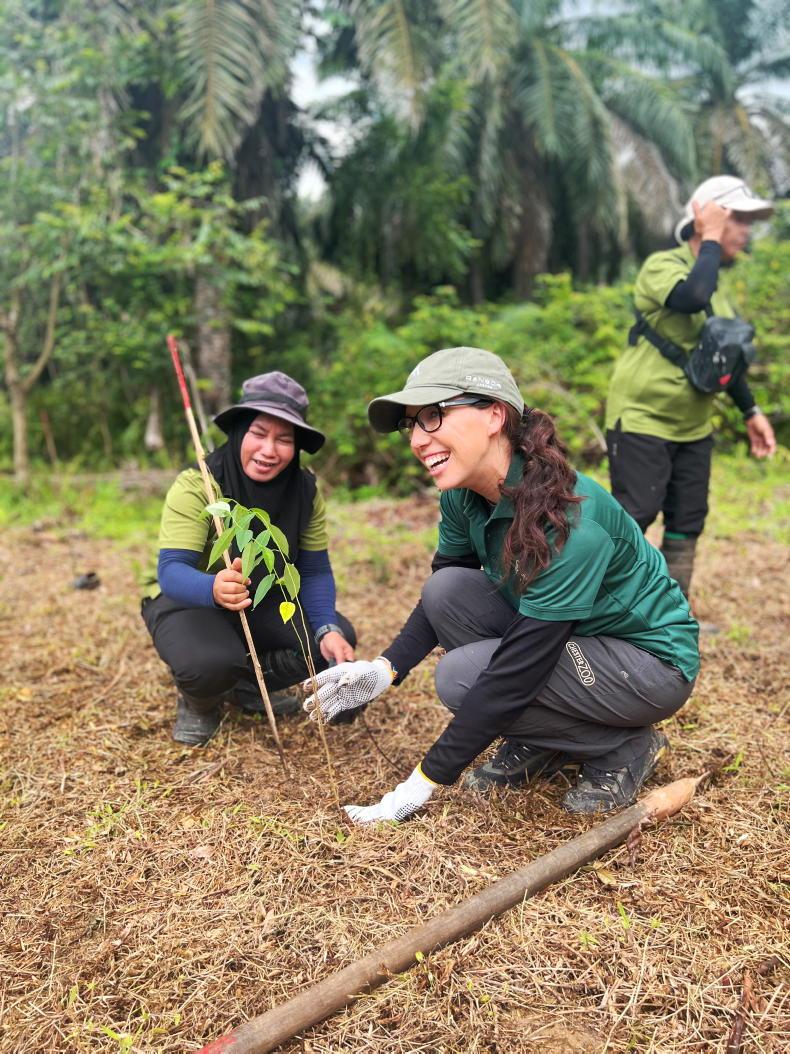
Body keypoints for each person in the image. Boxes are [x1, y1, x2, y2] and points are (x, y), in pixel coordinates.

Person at [303, 346, 699, 824]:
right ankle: (544, 739)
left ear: (494, 415)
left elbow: (517, 671)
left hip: (647, 663)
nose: (417, 439)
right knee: (447, 590)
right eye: (412, 425)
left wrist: (423, 781)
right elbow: (444, 595)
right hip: (571, 638)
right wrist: (385, 669)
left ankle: (621, 746)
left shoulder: (572, 521)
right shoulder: (464, 495)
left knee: (460, 677)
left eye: (433, 415)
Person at [142, 371, 356, 746]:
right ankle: (201, 700)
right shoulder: (200, 483)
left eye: (284, 439)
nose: (269, 450)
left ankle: (247, 686)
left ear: (296, 446)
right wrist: (213, 587)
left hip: (260, 599)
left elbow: (314, 570)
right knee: (209, 664)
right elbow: (171, 570)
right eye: (259, 433)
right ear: (239, 431)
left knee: (331, 642)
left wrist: (327, 627)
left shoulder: (305, 490)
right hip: (192, 601)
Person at [605, 176, 776, 598]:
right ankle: (600, 614)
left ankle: (671, 617)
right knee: (635, 516)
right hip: (644, 417)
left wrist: (751, 412)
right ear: (707, 218)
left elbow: (725, 360)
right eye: (738, 219)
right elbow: (691, 297)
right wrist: (710, 235)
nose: (746, 231)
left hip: (694, 426)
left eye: (748, 222)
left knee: (687, 520)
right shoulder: (663, 266)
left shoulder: (718, 287)